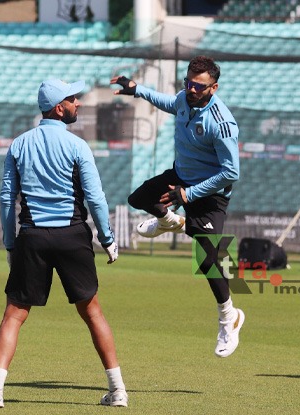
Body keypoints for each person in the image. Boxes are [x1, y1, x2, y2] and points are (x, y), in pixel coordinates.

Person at [0, 79, 128, 407]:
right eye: (72, 99)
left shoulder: (19, 144)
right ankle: (118, 391)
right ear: (59, 108)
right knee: (92, 311)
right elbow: (96, 198)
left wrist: (10, 245)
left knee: (14, 313)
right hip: (73, 237)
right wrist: (108, 239)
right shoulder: (78, 146)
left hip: (33, 237)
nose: (78, 103)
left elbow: (6, 199)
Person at [110, 55, 244, 358]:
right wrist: (137, 89)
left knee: (208, 260)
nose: (192, 89)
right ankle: (171, 221)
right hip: (180, 179)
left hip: (209, 193)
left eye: (199, 85)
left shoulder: (222, 124)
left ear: (214, 87)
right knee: (139, 200)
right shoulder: (185, 99)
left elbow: (231, 172)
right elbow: (169, 102)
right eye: (188, 83)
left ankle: (230, 318)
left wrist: (190, 194)